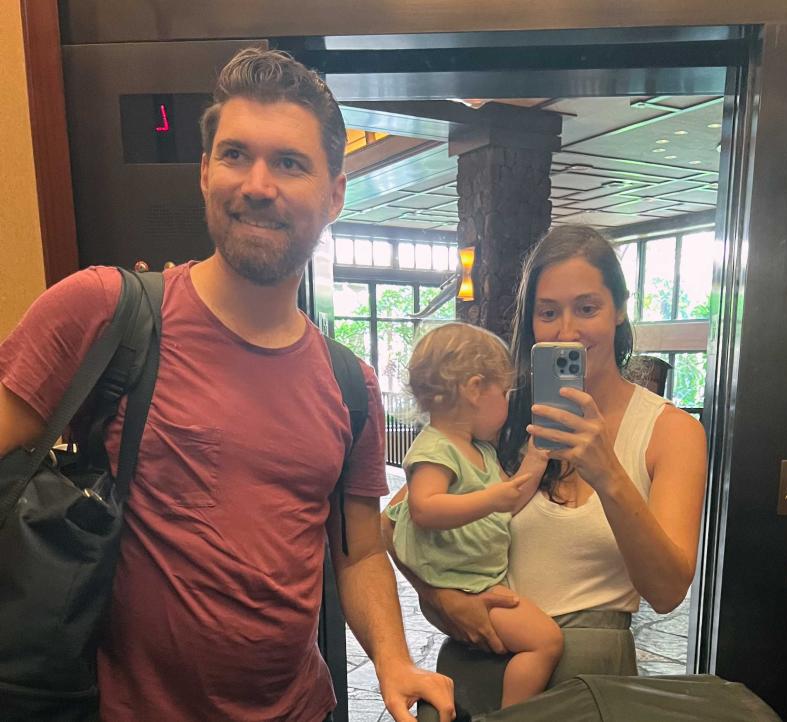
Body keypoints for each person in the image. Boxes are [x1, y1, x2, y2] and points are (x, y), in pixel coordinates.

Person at [0, 48, 453, 722]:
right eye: (237, 155)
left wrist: (393, 661)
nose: (259, 184)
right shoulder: (104, 311)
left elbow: (358, 556)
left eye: (290, 163)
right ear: (205, 171)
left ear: (335, 194)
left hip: (304, 710)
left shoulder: (348, 384)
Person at [383, 225, 707, 712]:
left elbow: (666, 592)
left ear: (619, 310)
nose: (567, 331)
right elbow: (395, 521)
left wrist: (607, 474)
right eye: (548, 312)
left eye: (587, 308)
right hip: (485, 660)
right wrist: (442, 597)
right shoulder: (497, 418)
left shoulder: (671, 431)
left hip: (594, 677)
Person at [385, 323, 562, 708]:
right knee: (545, 642)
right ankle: (510, 717)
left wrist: (536, 457)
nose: (507, 401)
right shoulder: (434, 449)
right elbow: (424, 508)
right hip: (465, 587)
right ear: (475, 388)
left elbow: (509, 500)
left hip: (479, 581)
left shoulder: (480, 451)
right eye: (504, 392)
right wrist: (491, 499)